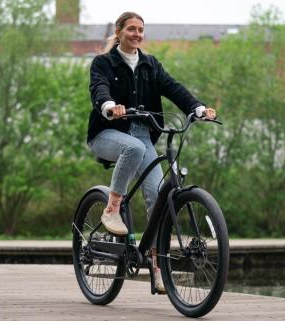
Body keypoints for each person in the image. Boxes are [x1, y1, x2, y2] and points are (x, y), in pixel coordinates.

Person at [86, 11, 217, 292]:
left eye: (141, 30)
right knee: (131, 148)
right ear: (119, 31)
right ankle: (111, 209)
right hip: (108, 133)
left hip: (144, 135)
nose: (137, 34)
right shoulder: (104, 63)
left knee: (158, 197)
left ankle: (157, 269)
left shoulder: (150, 65)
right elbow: (99, 88)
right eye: (131, 29)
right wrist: (109, 106)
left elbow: (173, 88)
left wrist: (197, 107)